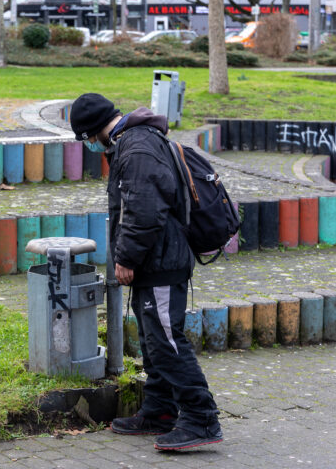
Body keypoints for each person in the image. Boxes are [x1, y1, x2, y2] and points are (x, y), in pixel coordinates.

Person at [70, 93, 223, 451]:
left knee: (167, 341)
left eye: (88, 139)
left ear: (94, 131)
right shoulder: (132, 141)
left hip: (160, 262)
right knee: (154, 339)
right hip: (155, 263)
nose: (91, 145)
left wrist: (126, 258)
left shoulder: (136, 148)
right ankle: (160, 411)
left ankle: (201, 418)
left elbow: (143, 211)